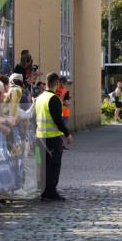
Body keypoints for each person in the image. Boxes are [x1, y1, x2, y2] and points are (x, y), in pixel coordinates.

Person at [35, 71, 72, 201]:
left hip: (40, 137)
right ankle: (51, 192)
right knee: (54, 165)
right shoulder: (54, 98)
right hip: (52, 138)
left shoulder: (39, 98)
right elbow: (58, 120)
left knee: (42, 165)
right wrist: (67, 134)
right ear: (56, 83)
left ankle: (43, 190)